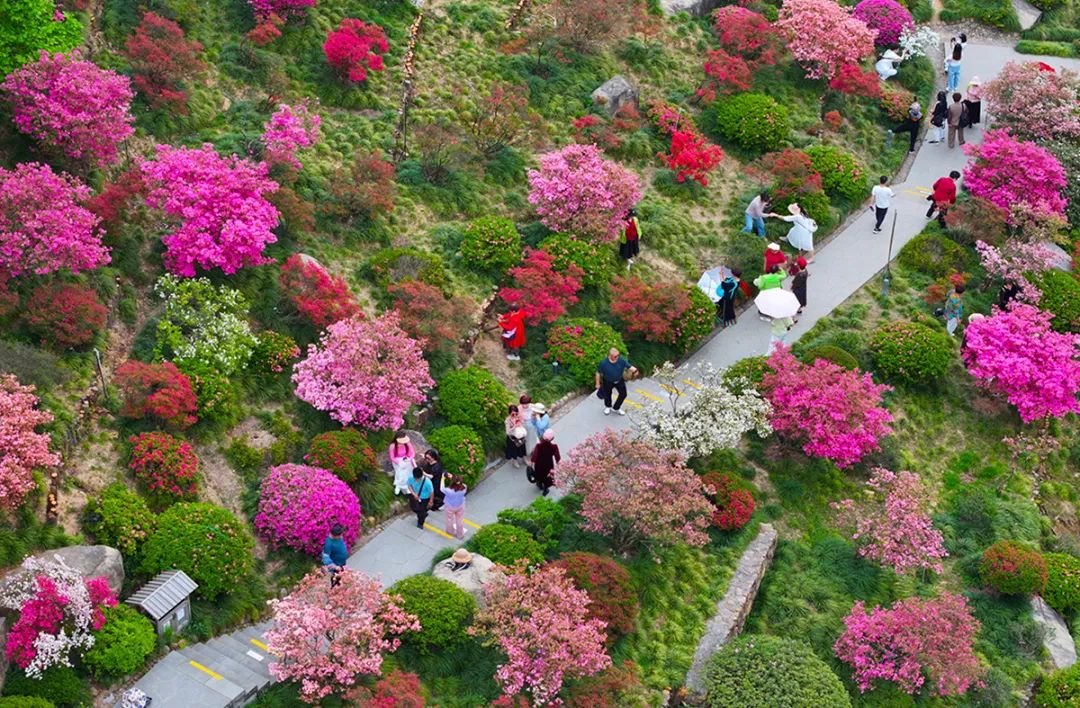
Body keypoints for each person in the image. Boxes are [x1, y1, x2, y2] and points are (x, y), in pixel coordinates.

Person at [595, 347, 637, 416]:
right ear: (610, 356)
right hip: (607, 381)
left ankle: (616, 408)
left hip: (619, 380)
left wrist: (635, 370)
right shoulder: (603, 363)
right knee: (607, 395)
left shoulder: (621, 361)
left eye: (618, 355)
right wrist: (597, 383)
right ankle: (608, 406)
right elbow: (598, 373)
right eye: (615, 356)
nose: (617, 357)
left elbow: (629, 366)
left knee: (623, 394)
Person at [530, 429, 561, 496]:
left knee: (539, 475)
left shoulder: (539, 445)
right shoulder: (554, 446)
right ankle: (545, 489)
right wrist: (558, 462)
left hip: (539, 464)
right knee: (547, 478)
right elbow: (557, 456)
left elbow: (535, 455)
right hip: (548, 464)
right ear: (552, 438)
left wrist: (532, 462)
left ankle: (540, 485)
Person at [442, 474, 467, 540]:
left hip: (450, 506)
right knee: (460, 520)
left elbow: (441, 488)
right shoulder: (464, 487)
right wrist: (455, 479)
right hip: (460, 506)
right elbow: (460, 483)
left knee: (449, 519)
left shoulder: (448, 490)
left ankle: (450, 532)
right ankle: (460, 535)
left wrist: (442, 479)